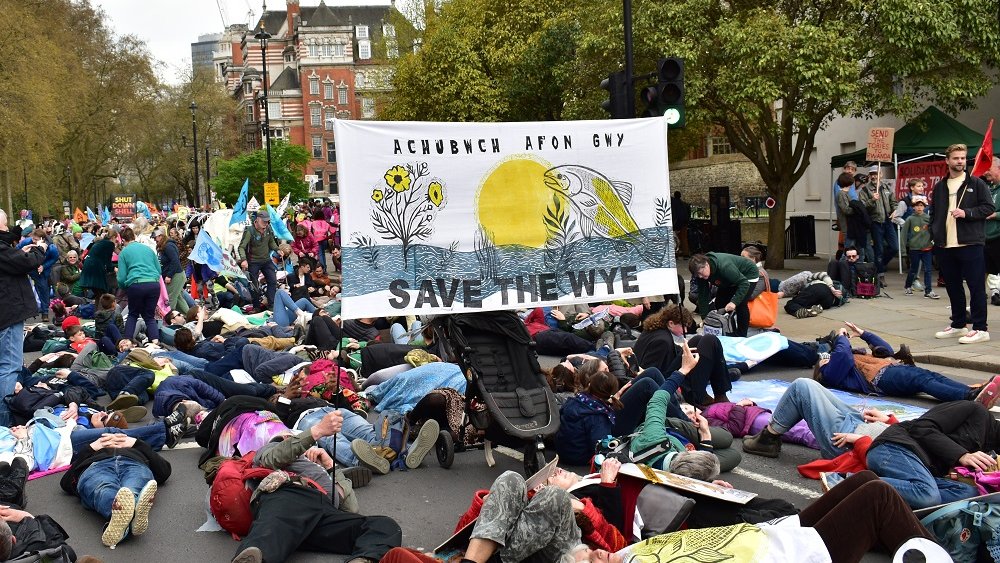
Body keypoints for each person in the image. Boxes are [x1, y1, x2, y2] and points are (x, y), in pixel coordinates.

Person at [574, 472, 947, 563]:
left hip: (765, 533)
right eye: (588, 561)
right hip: (785, 555)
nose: (592, 555)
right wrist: (594, 498)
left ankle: (910, 539)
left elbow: (612, 540)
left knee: (866, 481)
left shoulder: (625, 556)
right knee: (877, 497)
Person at [229, 409, 402, 563]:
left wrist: (330, 466)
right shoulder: (271, 449)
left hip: (320, 514)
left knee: (384, 525)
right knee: (268, 533)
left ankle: (364, 559)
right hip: (288, 496)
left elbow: (350, 507)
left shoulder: (315, 466)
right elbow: (271, 458)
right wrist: (316, 431)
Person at [810, 321, 995, 403]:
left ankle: (971, 392)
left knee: (930, 376)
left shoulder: (850, 358)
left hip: (890, 370)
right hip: (881, 378)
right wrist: (841, 338)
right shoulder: (829, 375)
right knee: (923, 380)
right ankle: (967, 397)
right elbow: (842, 355)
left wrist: (865, 334)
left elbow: (886, 351)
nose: (828, 359)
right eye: (824, 360)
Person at [864, 399, 1000, 509]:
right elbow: (922, 427)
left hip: (920, 470)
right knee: (927, 495)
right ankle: (852, 482)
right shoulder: (976, 412)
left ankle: (897, 497)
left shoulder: (991, 452)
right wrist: (961, 455)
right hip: (896, 447)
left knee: (971, 495)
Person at [931, 143, 996, 344]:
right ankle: (959, 324)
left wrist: (966, 213)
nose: (960, 161)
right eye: (956, 158)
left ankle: (980, 328)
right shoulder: (940, 186)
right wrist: (934, 233)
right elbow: (934, 212)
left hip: (971, 243)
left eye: (962, 158)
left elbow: (988, 208)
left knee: (976, 287)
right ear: (947, 161)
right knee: (953, 287)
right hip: (946, 245)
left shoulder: (976, 184)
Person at [59, 434, 171, 548]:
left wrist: (137, 444)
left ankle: (123, 514)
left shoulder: (136, 448)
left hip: (134, 463)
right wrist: (90, 448)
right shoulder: (93, 453)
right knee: (102, 488)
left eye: (118, 439)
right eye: (107, 440)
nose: (113, 441)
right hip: (97, 466)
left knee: (132, 488)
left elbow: (164, 471)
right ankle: (130, 512)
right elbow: (65, 483)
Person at [0, 210, 47, 427]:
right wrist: (38, 249)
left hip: (7, 312)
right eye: (4, 224)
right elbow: (24, 263)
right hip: (7, 313)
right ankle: (5, 417)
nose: (8, 228)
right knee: (9, 366)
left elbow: (15, 261)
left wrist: (20, 252)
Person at [689, 252, 759, 337]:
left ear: (707, 265)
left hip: (748, 275)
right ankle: (725, 326)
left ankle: (741, 334)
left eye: (701, 272)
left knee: (741, 303)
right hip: (728, 280)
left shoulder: (724, 267)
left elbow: (744, 283)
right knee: (719, 302)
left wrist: (734, 302)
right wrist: (704, 317)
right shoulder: (702, 275)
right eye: (697, 275)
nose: (700, 276)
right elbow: (703, 295)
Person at [117, 227, 163, 343]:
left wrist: (124, 287)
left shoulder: (124, 253)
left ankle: (127, 342)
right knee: (150, 316)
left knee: (133, 314)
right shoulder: (148, 249)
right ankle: (155, 343)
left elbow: (122, 278)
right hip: (153, 284)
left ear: (123, 240)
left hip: (136, 285)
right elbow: (158, 270)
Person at [858, 164, 898, 285]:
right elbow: (862, 207)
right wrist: (872, 200)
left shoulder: (887, 187)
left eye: (876, 173)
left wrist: (895, 210)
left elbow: (894, 202)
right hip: (875, 222)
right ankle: (880, 274)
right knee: (879, 250)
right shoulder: (865, 190)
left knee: (894, 247)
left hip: (888, 221)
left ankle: (878, 265)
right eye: (872, 174)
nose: (874, 176)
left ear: (881, 174)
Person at [238, 212, 279, 311]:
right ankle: (256, 306)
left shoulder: (268, 229)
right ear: (257, 220)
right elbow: (241, 247)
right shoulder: (250, 231)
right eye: (264, 221)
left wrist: (277, 249)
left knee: (273, 281)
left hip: (266, 260)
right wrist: (243, 260)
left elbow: (271, 242)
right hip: (253, 261)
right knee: (254, 285)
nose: (266, 223)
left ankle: (271, 304)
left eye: (267, 221)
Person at [902, 197, 939, 298]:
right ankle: (908, 286)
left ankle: (928, 290)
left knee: (928, 270)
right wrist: (903, 250)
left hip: (927, 248)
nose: (919, 208)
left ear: (924, 207)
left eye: (921, 205)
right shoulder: (910, 219)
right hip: (914, 248)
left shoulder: (928, 218)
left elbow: (934, 230)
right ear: (913, 207)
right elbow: (903, 234)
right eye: (917, 205)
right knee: (913, 269)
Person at [156, 228, 188, 315]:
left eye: (155, 237)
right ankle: (189, 315)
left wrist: (169, 275)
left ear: (160, 236)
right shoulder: (166, 245)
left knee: (170, 298)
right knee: (178, 298)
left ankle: (170, 319)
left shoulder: (168, 246)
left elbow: (175, 261)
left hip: (175, 275)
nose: (155, 240)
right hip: (177, 274)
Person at [982, 156, 1000, 306]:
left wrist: (996, 215)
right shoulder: (989, 188)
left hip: (998, 237)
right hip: (986, 237)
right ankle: (992, 293)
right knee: (985, 269)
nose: (985, 172)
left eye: (989, 168)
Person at [671, 191, 691, 257]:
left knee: (674, 239)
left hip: (675, 224)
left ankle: (676, 252)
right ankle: (686, 253)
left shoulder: (673, 203)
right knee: (684, 239)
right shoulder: (684, 204)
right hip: (684, 224)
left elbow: (674, 214)